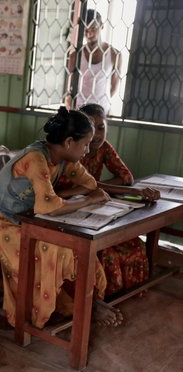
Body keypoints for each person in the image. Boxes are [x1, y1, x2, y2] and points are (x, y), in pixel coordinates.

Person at [0, 106, 123, 329]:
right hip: (4, 225)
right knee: (58, 250)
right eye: (85, 144)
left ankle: (88, 302)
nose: (88, 150)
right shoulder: (37, 158)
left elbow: (89, 183)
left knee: (76, 247)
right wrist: (86, 201)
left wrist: (68, 197)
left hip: (32, 221)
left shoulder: (63, 158)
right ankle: (79, 307)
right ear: (69, 142)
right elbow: (47, 206)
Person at [55, 103, 160, 295]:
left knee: (134, 244)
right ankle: (102, 297)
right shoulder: (75, 149)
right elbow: (72, 189)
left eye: (101, 128)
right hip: (67, 209)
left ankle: (127, 293)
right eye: (92, 130)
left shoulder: (103, 148)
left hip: (92, 204)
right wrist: (94, 188)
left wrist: (96, 187)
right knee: (106, 250)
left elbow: (126, 177)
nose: (96, 136)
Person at [66, 9, 122, 115]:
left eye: (93, 28)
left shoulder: (115, 55)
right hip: (79, 112)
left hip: (102, 111)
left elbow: (113, 88)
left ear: (102, 25)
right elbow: (69, 87)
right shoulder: (75, 56)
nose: (89, 33)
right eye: (85, 29)